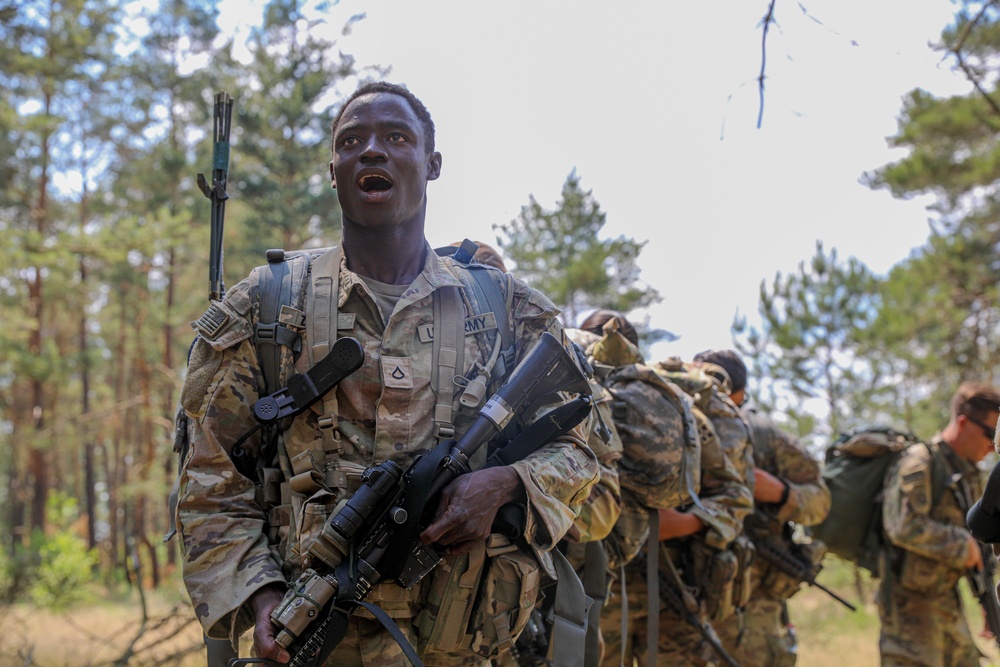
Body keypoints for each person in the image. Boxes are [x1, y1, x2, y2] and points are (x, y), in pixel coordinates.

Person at [175, 81, 599, 666]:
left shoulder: (505, 308)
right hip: (315, 642)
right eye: (352, 141)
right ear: (333, 170)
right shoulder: (268, 309)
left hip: (467, 649)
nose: (371, 151)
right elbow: (209, 479)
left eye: (395, 137)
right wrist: (262, 593)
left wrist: (507, 485)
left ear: (432, 164)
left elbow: (583, 450)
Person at [575, 311, 753, 667]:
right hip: (597, 586)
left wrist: (683, 523)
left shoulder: (668, 408)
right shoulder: (566, 398)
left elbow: (737, 499)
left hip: (675, 580)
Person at [692, 348, 831, 667]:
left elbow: (820, 501)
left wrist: (782, 493)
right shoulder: (676, 424)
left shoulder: (764, 435)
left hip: (754, 598)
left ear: (738, 393)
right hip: (687, 586)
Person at [878, 381, 1000, 667]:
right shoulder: (919, 463)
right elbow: (902, 525)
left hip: (947, 605)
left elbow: (981, 544)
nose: (993, 445)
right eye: (990, 434)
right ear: (963, 423)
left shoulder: (968, 473)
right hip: (910, 614)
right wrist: (962, 545)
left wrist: (986, 598)